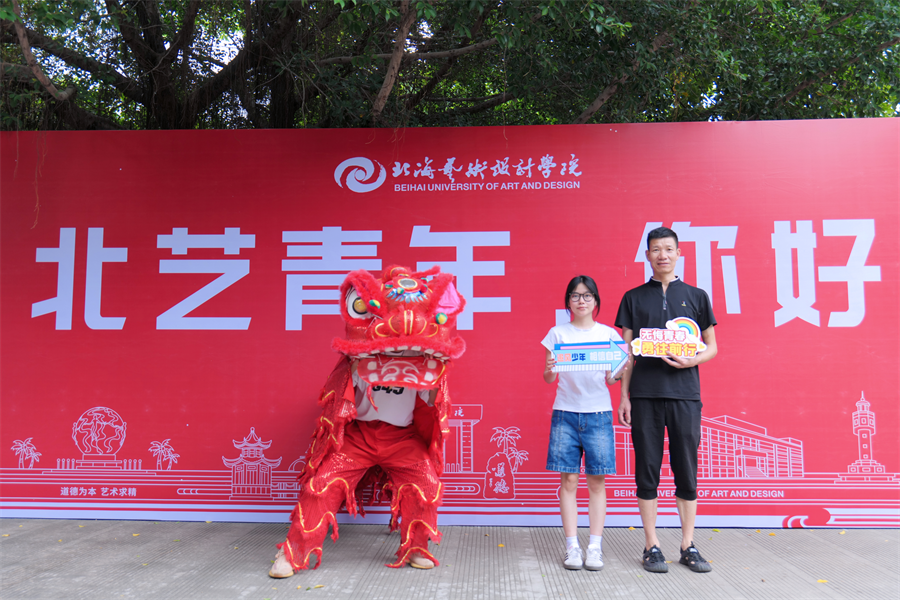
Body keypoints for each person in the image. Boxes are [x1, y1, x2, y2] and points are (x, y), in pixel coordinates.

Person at [268, 265, 465, 577]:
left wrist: (435, 369)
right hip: (358, 436)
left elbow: (431, 404)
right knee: (321, 485)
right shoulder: (357, 362)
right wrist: (361, 359)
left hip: (402, 438)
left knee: (426, 483)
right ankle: (293, 553)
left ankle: (417, 546)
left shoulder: (426, 364)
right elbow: (340, 398)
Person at [615, 227, 718, 574]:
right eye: (656, 249)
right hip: (644, 394)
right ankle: (651, 544)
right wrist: (624, 396)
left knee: (686, 469)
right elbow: (627, 353)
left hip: (685, 395)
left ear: (678, 253)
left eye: (669, 249)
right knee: (647, 468)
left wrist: (693, 360)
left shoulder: (697, 296)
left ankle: (688, 544)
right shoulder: (633, 297)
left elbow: (712, 347)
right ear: (647, 255)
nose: (663, 255)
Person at [542, 275, 625, 571]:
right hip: (565, 412)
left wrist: (619, 370)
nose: (581, 301)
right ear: (568, 301)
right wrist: (550, 369)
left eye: (587, 295)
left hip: (598, 414)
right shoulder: (557, 334)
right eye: (575, 296)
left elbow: (612, 379)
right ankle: (572, 547)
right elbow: (549, 378)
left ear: (596, 301)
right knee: (568, 481)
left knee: (596, 481)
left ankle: (594, 547)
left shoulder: (609, 334)